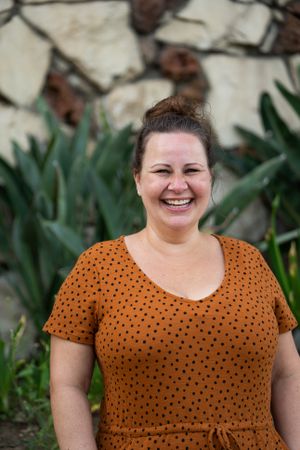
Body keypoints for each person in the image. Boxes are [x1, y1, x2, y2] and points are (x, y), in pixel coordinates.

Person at [43, 95, 300, 450]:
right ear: (137, 179)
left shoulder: (250, 262)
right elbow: (67, 385)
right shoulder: (97, 267)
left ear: (210, 177)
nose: (177, 185)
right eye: (162, 171)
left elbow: (287, 373)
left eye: (191, 170)